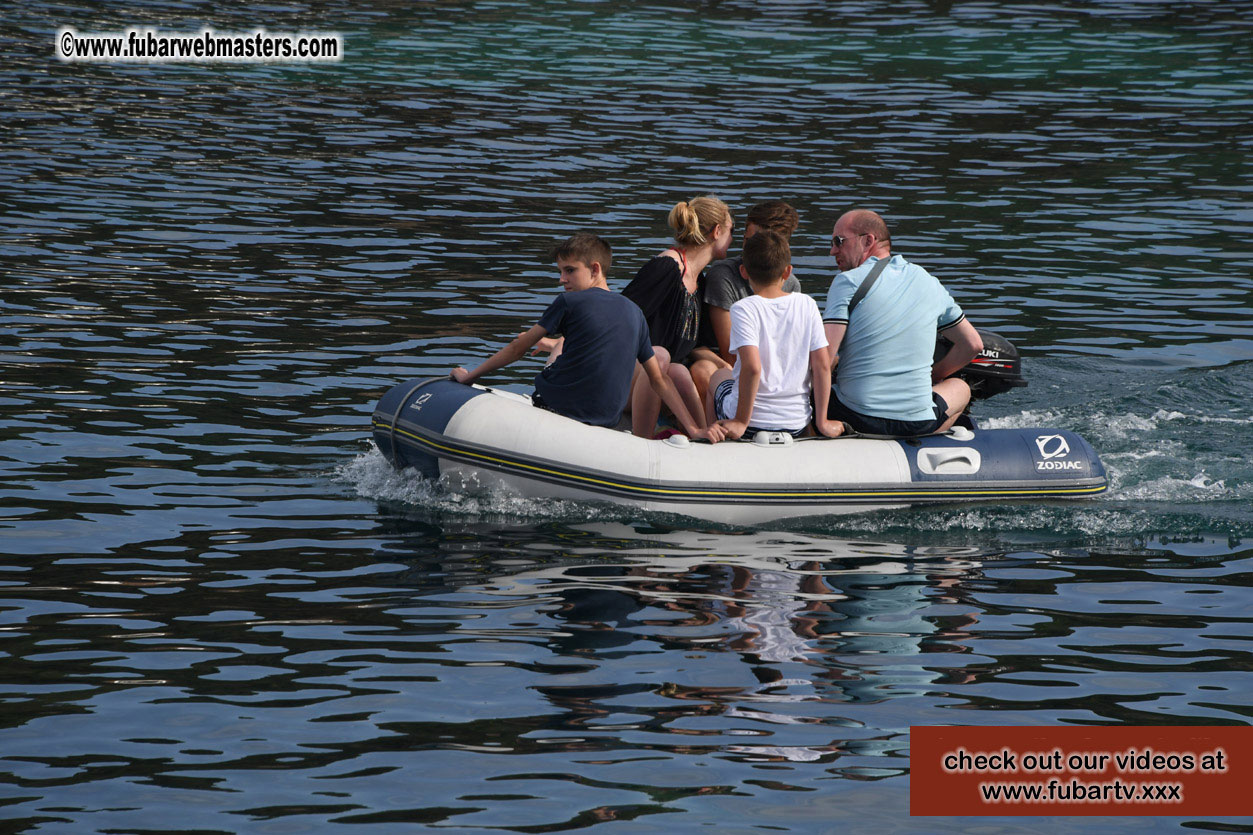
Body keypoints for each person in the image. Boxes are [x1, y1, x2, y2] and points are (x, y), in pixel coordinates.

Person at [451, 233, 723, 442]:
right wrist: (694, 429)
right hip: (606, 418)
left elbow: (517, 348)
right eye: (560, 271)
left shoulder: (569, 302)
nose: (561, 279)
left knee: (561, 347)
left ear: (595, 269)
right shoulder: (634, 313)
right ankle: (645, 441)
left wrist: (471, 376)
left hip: (555, 405)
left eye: (569, 270)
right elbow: (658, 379)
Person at [822, 210, 983, 436]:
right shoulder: (929, 282)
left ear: (868, 240)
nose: (833, 250)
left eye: (839, 241)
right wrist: (934, 377)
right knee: (962, 388)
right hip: (916, 423)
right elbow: (973, 344)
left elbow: (824, 358)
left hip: (855, 416)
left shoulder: (847, 281)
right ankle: (929, 437)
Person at [704, 230, 843, 440]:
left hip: (751, 424)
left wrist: (741, 421)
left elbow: (752, 367)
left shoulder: (743, 308)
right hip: (796, 422)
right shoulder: (807, 304)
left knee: (718, 376)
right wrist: (822, 421)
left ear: (743, 271)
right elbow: (822, 365)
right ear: (787, 272)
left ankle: (711, 438)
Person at [621, 195, 733, 438]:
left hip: (662, 379)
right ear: (716, 232)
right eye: (730, 231)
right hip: (626, 379)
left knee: (679, 371)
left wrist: (727, 366)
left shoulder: (698, 281)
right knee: (660, 356)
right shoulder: (667, 268)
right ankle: (644, 442)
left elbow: (695, 346)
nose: (733, 239)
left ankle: (704, 435)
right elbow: (619, 317)